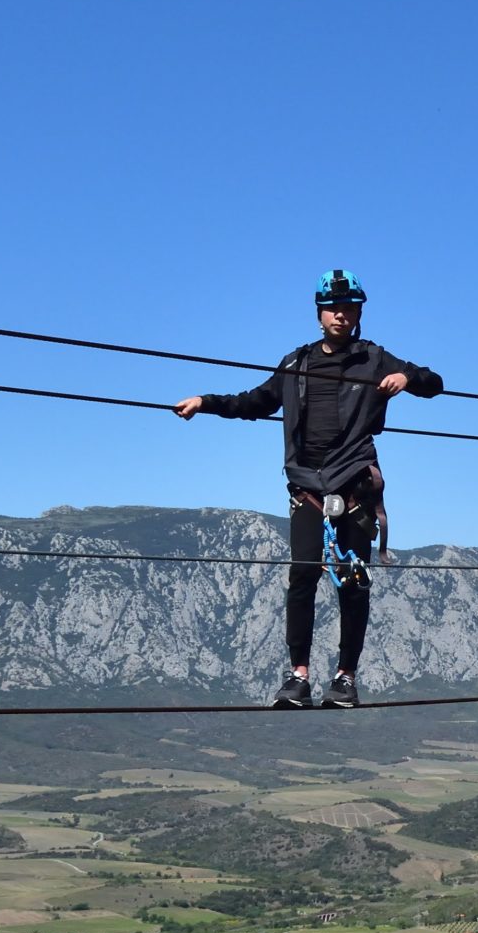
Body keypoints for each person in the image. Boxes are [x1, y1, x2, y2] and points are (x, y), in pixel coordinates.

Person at [174, 270, 442, 707]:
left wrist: (408, 380)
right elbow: (255, 402)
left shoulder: (375, 359)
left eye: (349, 308)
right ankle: (298, 675)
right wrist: (206, 403)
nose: (341, 314)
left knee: (352, 582)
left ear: (358, 314)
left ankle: (345, 677)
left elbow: (435, 383)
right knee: (302, 575)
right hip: (307, 486)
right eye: (333, 308)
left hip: (353, 482)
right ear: (319, 314)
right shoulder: (295, 363)